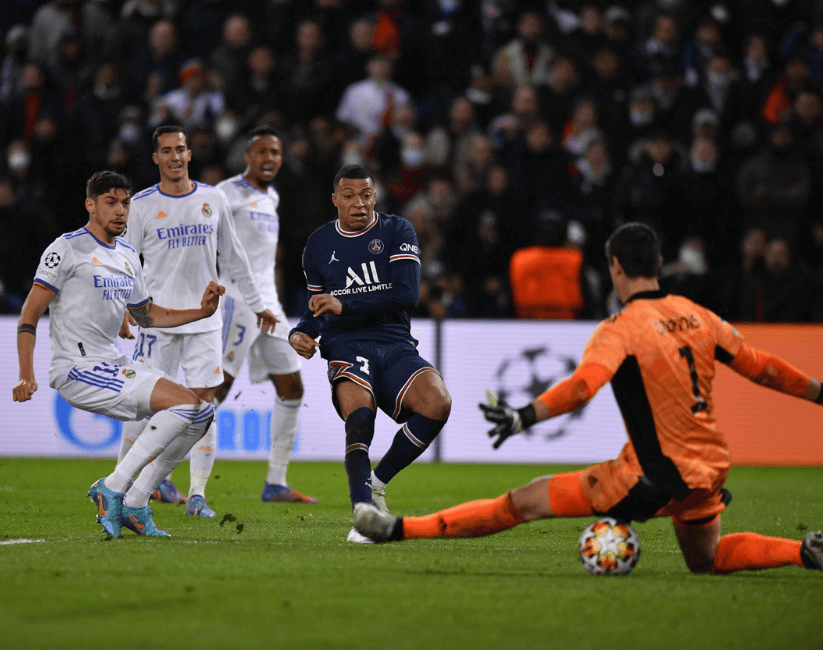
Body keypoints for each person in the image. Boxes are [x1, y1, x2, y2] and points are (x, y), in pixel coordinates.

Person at [352, 222, 823, 576]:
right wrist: (818, 393)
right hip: (710, 466)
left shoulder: (621, 329)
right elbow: (761, 366)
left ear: (616, 267)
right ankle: (804, 551)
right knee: (707, 559)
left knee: (524, 501)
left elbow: (583, 387)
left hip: (650, 475)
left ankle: (397, 529)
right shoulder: (698, 315)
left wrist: (524, 415)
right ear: (658, 264)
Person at [12, 170, 223, 539]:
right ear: (90, 205)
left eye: (125, 203)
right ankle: (113, 486)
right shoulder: (66, 248)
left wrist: (202, 312)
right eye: (111, 202)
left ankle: (138, 501)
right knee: (184, 407)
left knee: (202, 412)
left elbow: (149, 315)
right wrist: (25, 373)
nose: (121, 211)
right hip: (77, 368)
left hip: (113, 364)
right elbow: (29, 314)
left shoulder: (127, 254)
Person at [119, 125, 279, 518]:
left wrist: (258, 305)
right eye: (167, 151)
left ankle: (197, 494)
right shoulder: (140, 205)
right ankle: (119, 487)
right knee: (143, 407)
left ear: (190, 154)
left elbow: (236, 258)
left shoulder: (214, 199)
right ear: (155, 158)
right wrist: (122, 310)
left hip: (207, 322)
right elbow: (125, 264)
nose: (175, 156)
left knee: (204, 408)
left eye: (181, 149)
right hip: (157, 322)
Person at [289, 164, 452, 544]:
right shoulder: (317, 244)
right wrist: (301, 332)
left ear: (375, 196)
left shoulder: (398, 230)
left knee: (437, 403)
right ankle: (363, 514)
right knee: (360, 416)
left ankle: (376, 485)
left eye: (366, 195)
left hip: (394, 341)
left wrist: (342, 303)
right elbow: (318, 308)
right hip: (345, 343)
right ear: (335, 200)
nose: (359, 204)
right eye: (349, 196)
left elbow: (406, 295)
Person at [212, 126, 316, 504]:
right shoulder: (227, 193)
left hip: (270, 307)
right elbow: (208, 243)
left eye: (276, 152)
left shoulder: (271, 197)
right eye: (263, 152)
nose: (270, 158)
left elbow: (267, 259)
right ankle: (161, 472)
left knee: (292, 388)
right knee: (216, 390)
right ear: (248, 156)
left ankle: (275, 482)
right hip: (237, 302)